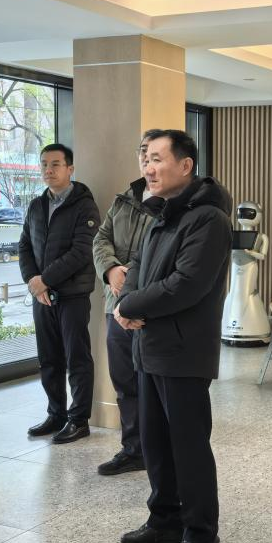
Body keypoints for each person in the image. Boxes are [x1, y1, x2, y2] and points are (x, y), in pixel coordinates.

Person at [114, 129, 232, 543]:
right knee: (156, 442)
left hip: (184, 350)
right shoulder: (163, 214)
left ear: (186, 165)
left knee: (188, 445)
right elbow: (138, 268)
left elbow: (187, 284)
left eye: (158, 159)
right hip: (150, 346)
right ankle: (164, 518)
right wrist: (127, 303)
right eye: (146, 159)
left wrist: (131, 306)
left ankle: (202, 533)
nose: (149, 167)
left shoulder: (208, 219)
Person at [91, 129, 163, 475]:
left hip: (147, 311)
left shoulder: (172, 203)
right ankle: (133, 449)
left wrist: (130, 277)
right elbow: (101, 238)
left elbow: (162, 256)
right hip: (114, 305)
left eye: (154, 154)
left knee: (152, 385)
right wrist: (110, 270)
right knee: (124, 382)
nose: (146, 159)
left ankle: (157, 450)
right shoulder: (125, 198)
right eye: (142, 152)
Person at [19, 143, 100, 443]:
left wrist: (46, 280)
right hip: (42, 296)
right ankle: (56, 414)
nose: (48, 170)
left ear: (70, 168)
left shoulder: (84, 206)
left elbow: (81, 252)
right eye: (44, 164)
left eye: (55, 164)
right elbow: (24, 246)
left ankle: (79, 420)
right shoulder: (36, 205)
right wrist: (32, 281)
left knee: (77, 358)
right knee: (49, 358)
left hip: (72, 295)